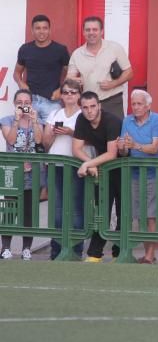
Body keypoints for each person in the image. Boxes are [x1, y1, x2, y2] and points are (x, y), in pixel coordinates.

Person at [117, 89, 158, 264]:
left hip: (154, 172)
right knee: (139, 214)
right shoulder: (127, 120)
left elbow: (154, 148)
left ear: (148, 105)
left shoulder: (157, 119)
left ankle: (149, 255)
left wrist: (135, 145)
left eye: (139, 104)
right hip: (134, 172)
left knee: (151, 214)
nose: (135, 107)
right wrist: (122, 146)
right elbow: (124, 151)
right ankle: (148, 253)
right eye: (133, 104)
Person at [73, 91, 123, 262]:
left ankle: (119, 253)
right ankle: (95, 254)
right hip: (102, 168)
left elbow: (112, 153)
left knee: (123, 212)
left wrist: (89, 164)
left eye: (93, 106)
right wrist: (91, 163)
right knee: (101, 212)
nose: (89, 111)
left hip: (122, 167)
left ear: (99, 106)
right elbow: (76, 149)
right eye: (85, 107)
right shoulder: (81, 119)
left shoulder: (112, 120)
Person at [42, 79, 85, 259]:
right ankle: (57, 250)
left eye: (73, 92)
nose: (69, 95)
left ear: (79, 95)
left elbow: (90, 138)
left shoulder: (84, 114)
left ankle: (75, 250)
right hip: (56, 165)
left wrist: (70, 132)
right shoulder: (54, 114)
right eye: (66, 92)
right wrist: (51, 133)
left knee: (76, 209)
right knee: (57, 208)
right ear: (61, 95)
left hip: (77, 165)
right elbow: (45, 144)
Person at [0, 90, 44, 259]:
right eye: (20, 102)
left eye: (27, 102)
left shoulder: (37, 121)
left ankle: (27, 248)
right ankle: (5, 248)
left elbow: (40, 141)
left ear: (31, 104)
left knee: (29, 212)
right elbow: (10, 140)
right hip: (13, 172)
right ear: (14, 103)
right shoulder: (7, 120)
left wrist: (34, 122)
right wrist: (17, 120)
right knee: (10, 211)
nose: (24, 105)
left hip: (33, 172)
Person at [67, 16, 132, 119]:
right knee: (90, 135)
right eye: (88, 30)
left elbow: (129, 72)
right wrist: (76, 80)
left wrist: (113, 84)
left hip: (112, 101)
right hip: (89, 104)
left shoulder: (115, 48)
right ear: (83, 32)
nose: (91, 33)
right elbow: (69, 78)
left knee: (115, 134)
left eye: (95, 29)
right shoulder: (77, 53)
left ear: (102, 31)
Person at [15, 14, 69, 125]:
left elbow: (70, 73)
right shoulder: (25, 49)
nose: (41, 31)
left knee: (51, 136)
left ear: (49, 30)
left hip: (52, 101)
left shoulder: (60, 50)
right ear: (32, 30)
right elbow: (16, 72)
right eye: (38, 28)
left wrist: (61, 89)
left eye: (45, 28)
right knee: (27, 134)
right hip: (30, 101)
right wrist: (21, 83)